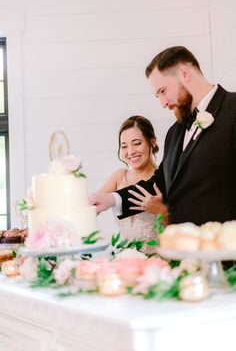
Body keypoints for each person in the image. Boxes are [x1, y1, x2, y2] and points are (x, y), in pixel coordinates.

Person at [90, 46, 236, 226]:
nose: (162, 103)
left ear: (184, 73)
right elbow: (159, 184)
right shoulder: (174, 132)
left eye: (163, 91)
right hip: (182, 249)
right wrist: (111, 200)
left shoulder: (233, 109)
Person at [95, 115, 160, 250]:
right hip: (125, 259)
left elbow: (177, 225)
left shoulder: (164, 177)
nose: (130, 152)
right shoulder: (119, 176)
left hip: (158, 260)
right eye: (124, 146)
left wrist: (161, 211)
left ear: (152, 142)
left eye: (137, 143)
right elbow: (93, 204)